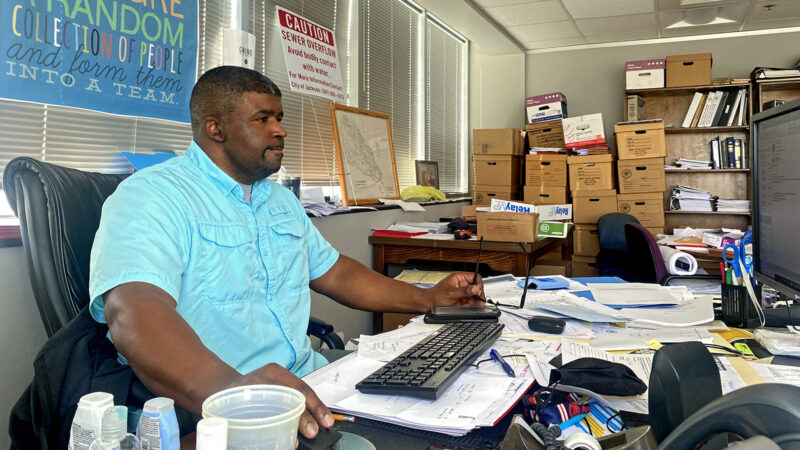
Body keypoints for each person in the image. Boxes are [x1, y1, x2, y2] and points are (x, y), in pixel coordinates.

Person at [88, 66, 485, 440]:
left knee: (460, 409)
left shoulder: (279, 200)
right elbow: (134, 312)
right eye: (262, 119)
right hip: (219, 403)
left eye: (279, 117)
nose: (280, 130)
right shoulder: (153, 195)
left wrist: (428, 299)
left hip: (309, 380)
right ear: (215, 128)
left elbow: (336, 273)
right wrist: (235, 393)